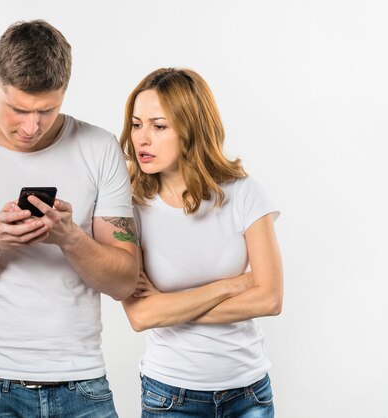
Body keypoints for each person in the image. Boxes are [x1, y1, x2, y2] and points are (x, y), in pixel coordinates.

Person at [0, 19, 138, 418]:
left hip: (82, 384)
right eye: (18, 109)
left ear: (65, 92)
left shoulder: (100, 147)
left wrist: (71, 238)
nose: (31, 127)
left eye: (47, 110)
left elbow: (125, 282)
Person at [119, 68, 283, 418]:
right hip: (170, 396)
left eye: (158, 126)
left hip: (249, 392)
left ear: (192, 129)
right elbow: (140, 314)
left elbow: (269, 298)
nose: (142, 139)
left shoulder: (244, 194)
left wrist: (170, 307)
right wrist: (232, 285)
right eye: (136, 125)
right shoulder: (130, 207)